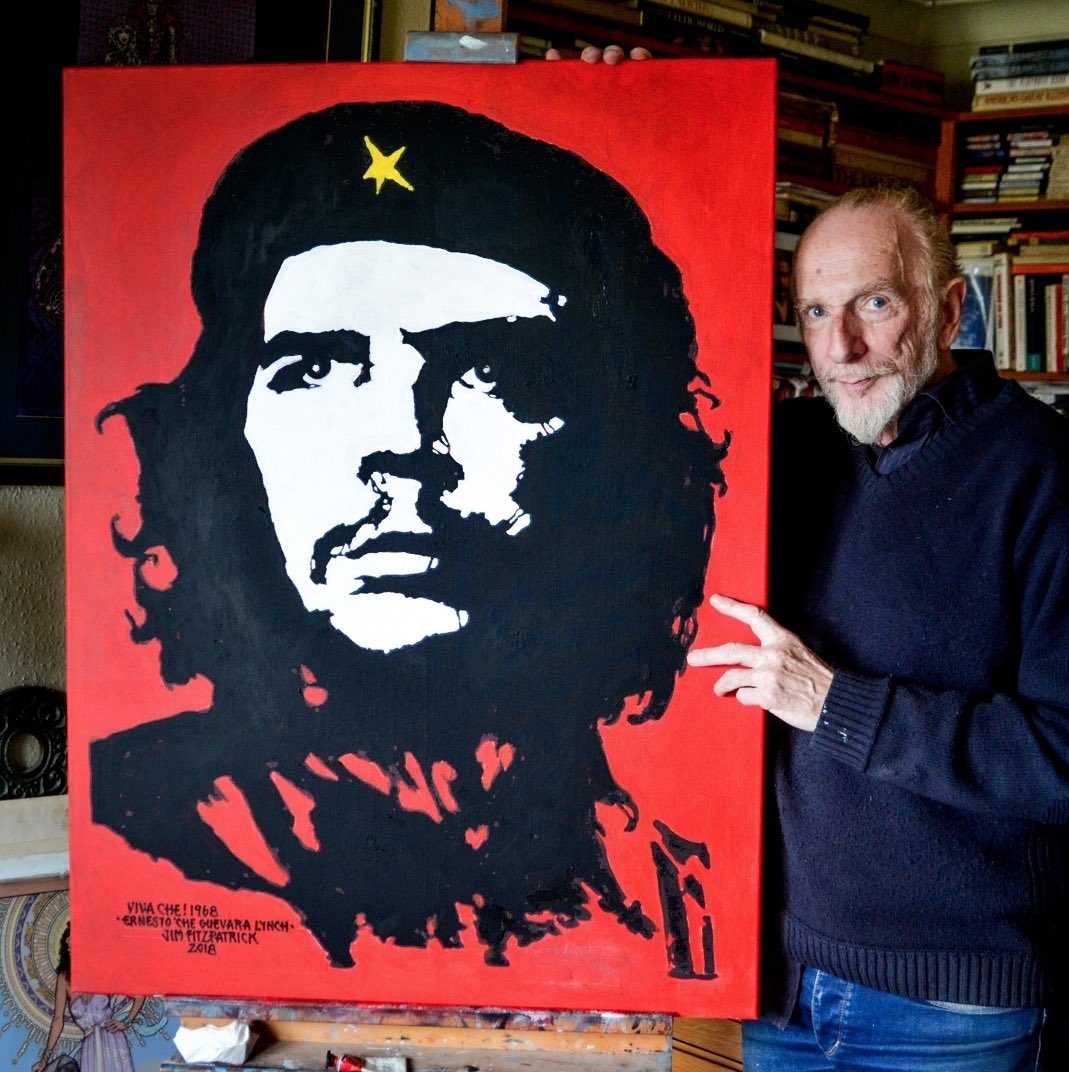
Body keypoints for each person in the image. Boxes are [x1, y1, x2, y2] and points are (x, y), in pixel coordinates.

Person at [90, 100, 729, 971]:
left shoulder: (679, 904)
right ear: (226, 440)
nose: (401, 444)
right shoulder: (128, 837)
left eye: (491, 371)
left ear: (616, 451)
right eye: (317, 367)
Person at [685, 183, 1069, 1068]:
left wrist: (837, 705)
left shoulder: (1044, 470)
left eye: (876, 304)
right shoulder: (782, 450)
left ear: (950, 309)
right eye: (817, 312)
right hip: (776, 986)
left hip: (951, 1007)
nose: (841, 347)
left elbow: (1064, 753)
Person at [35, 924, 146, 1072]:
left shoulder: (102, 971)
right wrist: (44, 1059)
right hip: (90, 1047)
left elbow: (139, 993)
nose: (71, 947)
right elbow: (58, 1019)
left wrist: (126, 1022)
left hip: (113, 1041)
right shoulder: (64, 978)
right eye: (69, 943)